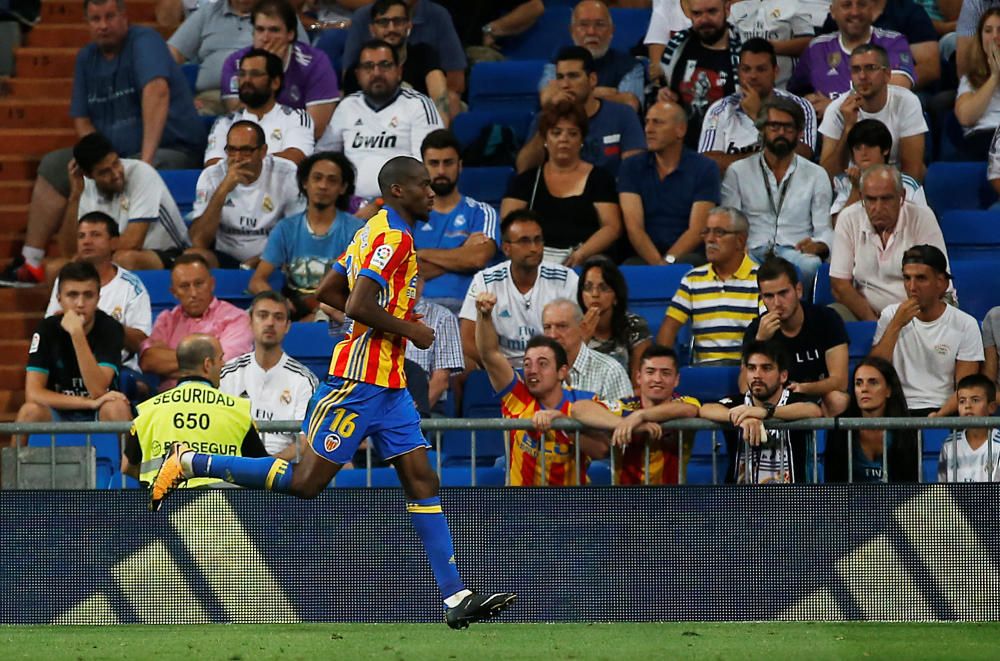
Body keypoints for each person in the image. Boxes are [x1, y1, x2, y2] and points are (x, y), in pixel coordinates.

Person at [148, 156, 516, 630]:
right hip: (359, 380)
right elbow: (356, 301)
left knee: (422, 480)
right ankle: (191, 461)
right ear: (399, 190)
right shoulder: (391, 237)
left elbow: (326, 290)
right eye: (424, 185)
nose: (432, 193)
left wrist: (385, 326)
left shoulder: (370, 230)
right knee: (306, 482)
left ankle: (454, 597)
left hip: (390, 384)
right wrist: (410, 330)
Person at [0, 0, 203, 286]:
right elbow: (81, 119)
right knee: (54, 164)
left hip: (168, 148)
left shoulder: (144, 41)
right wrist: (93, 161)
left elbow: (157, 92)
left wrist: (142, 163)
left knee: (125, 177)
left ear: (124, 16)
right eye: (95, 19)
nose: (103, 25)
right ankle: (31, 260)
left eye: (109, 16)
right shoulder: (87, 57)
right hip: (112, 155)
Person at [474, 292, 608, 486]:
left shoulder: (583, 403)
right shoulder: (516, 396)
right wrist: (484, 316)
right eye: (527, 364)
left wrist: (563, 424)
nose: (532, 370)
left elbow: (600, 450)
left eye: (542, 363)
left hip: (571, 510)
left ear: (562, 372)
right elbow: (489, 353)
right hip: (523, 510)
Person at [123, 334, 269, 486]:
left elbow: (127, 466)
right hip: (221, 507)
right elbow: (260, 468)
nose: (223, 364)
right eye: (220, 359)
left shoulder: (149, 410)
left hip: (165, 506)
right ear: (207, 364)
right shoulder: (237, 411)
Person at [721, 97, 833, 290]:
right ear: (762, 129)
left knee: (811, 265)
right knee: (734, 263)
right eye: (774, 127)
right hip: (752, 250)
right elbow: (731, 221)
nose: (781, 133)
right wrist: (739, 247)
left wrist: (819, 245)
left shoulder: (816, 174)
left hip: (795, 250)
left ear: (799, 133)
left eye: (788, 128)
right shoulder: (738, 171)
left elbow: (824, 228)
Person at [15, 261, 131, 438]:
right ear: (59, 298)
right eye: (72, 295)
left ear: (98, 298)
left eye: (88, 295)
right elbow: (33, 393)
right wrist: (87, 403)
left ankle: (129, 466)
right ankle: (13, 467)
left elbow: (98, 390)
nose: (80, 303)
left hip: (101, 409)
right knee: (29, 412)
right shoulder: (47, 329)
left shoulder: (110, 328)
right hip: (60, 409)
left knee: (117, 407)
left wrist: (77, 334)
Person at [318, 39, 444, 200]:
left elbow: (427, 167)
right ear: (358, 75)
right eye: (369, 66)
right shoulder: (347, 106)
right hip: (349, 205)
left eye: (385, 65)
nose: (376, 73)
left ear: (399, 71)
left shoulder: (418, 104)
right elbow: (324, 157)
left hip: (402, 204)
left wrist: (380, 203)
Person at [501, 100, 622, 267]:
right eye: (556, 133)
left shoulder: (600, 178)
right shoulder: (525, 181)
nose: (564, 139)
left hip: (585, 261)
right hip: (536, 261)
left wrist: (581, 254)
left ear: (581, 140)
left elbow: (612, 227)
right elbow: (508, 226)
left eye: (572, 133)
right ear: (545, 139)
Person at [50, 133, 190, 274]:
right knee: (55, 269)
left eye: (116, 163)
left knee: (124, 260)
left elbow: (133, 242)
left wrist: (92, 254)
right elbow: (68, 251)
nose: (116, 174)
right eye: (105, 172)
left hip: (172, 254)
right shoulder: (83, 187)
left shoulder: (142, 173)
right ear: (88, 175)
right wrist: (75, 196)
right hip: (110, 256)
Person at [249, 151, 364, 321]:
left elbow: (361, 287)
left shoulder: (357, 231)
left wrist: (318, 310)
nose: (323, 186)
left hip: (337, 311)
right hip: (295, 310)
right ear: (305, 183)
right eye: (317, 178)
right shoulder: (285, 228)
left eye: (332, 180)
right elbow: (257, 281)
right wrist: (279, 304)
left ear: (343, 188)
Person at [870, 245, 983, 417]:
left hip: (943, 411)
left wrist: (938, 417)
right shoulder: (890, 315)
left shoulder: (965, 324)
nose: (912, 287)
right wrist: (896, 325)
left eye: (921, 278)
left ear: (941, 283)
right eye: (907, 278)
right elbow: (874, 370)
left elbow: (965, 389)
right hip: (897, 410)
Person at [829, 165, 953, 321]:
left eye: (886, 199)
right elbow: (839, 284)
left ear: (901, 196)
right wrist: (873, 323)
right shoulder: (848, 218)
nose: (878, 208)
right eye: (871, 199)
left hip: (918, 309)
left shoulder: (922, 217)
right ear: (861, 197)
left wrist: (899, 322)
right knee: (833, 315)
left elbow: (935, 282)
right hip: (868, 314)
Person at [565, 344, 701, 485]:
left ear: (676, 379)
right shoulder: (626, 407)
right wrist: (626, 424)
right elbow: (578, 408)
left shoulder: (684, 403)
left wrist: (640, 416)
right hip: (626, 501)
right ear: (638, 377)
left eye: (665, 373)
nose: (657, 379)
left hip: (670, 502)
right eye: (650, 372)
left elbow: (690, 410)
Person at [459, 210, 579, 369]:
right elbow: (467, 340)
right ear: (506, 248)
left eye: (538, 240)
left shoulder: (566, 279)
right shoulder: (485, 280)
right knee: (462, 367)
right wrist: (503, 372)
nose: (534, 248)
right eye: (524, 241)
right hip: (501, 370)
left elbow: (579, 334)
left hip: (553, 369)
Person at [45, 212, 152, 378]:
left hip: (119, 368)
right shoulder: (65, 279)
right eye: (81, 236)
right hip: (69, 365)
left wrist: (100, 323)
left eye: (95, 235)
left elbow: (141, 342)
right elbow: (50, 326)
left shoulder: (132, 286)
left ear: (114, 243)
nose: (86, 241)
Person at [699, 340, 822, 483]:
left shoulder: (795, 401)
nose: (757, 375)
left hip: (790, 500)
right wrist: (742, 417)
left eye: (766, 368)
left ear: (783, 376)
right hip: (741, 501)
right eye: (752, 368)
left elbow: (813, 410)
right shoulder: (739, 405)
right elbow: (705, 409)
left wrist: (765, 412)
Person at [742, 257, 850, 416]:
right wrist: (760, 343)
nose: (777, 303)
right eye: (769, 296)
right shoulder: (757, 330)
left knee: (838, 399)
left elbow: (840, 381)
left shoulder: (826, 319)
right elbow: (744, 388)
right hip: (777, 403)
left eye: (783, 293)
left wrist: (804, 388)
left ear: (798, 290)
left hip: (818, 397)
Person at [220, 0, 340, 142]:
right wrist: (262, 70)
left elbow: (315, 128)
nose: (265, 38)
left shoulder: (315, 62)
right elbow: (237, 117)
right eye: (260, 29)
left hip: (301, 145)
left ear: (290, 34)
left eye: (274, 30)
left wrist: (274, 70)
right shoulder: (235, 63)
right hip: (250, 145)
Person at [619, 100, 721, 266]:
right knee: (630, 267)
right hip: (645, 257)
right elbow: (634, 228)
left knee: (691, 264)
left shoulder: (705, 168)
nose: (648, 129)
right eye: (647, 122)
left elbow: (697, 230)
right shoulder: (631, 166)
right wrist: (658, 264)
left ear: (680, 130)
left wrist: (668, 261)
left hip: (687, 256)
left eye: (657, 123)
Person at [190, 121, 304, 268]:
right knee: (192, 257)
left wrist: (263, 259)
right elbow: (198, 241)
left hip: (271, 259)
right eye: (231, 150)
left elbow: (297, 234)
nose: (237, 158)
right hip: (225, 257)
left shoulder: (287, 173)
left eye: (245, 151)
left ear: (263, 151)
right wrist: (223, 189)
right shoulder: (212, 176)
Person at [519, 46, 645, 178]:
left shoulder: (623, 115)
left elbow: (635, 173)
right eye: (560, 77)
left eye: (573, 76)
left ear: (592, 79)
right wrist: (547, 123)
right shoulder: (546, 118)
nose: (565, 85)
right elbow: (524, 169)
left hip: (610, 195)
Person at [657, 207, 762, 365]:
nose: (710, 239)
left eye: (719, 232)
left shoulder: (760, 279)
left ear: (740, 240)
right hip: (703, 371)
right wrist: (663, 367)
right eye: (706, 232)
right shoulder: (693, 279)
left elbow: (768, 330)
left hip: (745, 369)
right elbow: (668, 328)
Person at [220, 292, 318, 455]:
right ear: (250, 322)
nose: (270, 323)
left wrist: (267, 467)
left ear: (287, 326)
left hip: (282, 470)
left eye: (278, 317)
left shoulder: (304, 380)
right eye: (263, 316)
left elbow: (306, 440)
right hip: (234, 466)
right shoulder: (228, 374)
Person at [139, 254, 254, 391]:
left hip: (216, 399)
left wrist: (170, 364)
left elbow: (222, 367)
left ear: (212, 284)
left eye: (199, 284)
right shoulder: (166, 320)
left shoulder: (236, 318)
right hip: (170, 402)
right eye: (185, 286)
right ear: (174, 292)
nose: (193, 293)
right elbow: (149, 361)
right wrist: (204, 361)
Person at [699, 38, 817, 172]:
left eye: (761, 69)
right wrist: (766, 161)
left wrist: (758, 116)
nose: (752, 76)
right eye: (746, 69)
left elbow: (802, 157)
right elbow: (708, 163)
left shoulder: (800, 106)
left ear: (775, 72)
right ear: (738, 72)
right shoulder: (720, 110)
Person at [415, 129, 499, 315]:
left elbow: (477, 258)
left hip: (467, 309)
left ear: (460, 166)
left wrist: (421, 253)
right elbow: (405, 272)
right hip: (416, 310)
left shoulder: (482, 212)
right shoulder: (409, 215)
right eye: (434, 163)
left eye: (448, 163)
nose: (441, 171)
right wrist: (462, 250)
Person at [818, 44, 928, 182]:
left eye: (870, 68)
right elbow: (827, 176)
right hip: (851, 184)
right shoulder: (837, 109)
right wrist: (848, 128)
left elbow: (913, 169)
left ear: (887, 74)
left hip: (896, 184)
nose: (862, 76)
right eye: (856, 70)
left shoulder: (906, 102)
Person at [789, 0, 916, 118]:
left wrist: (833, 107)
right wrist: (808, 102)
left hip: (879, 131)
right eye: (847, 5)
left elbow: (896, 93)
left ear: (872, 10)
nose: (855, 12)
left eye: (861, 4)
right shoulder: (817, 48)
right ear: (833, 12)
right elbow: (794, 94)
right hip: (827, 135)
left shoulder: (892, 42)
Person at [340, 0, 456, 124]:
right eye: (384, 23)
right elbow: (350, 115)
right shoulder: (358, 68)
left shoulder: (424, 54)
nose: (391, 28)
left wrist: (436, 138)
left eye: (398, 22)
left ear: (409, 25)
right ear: (372, 29)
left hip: (419, 128)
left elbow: (439, 99)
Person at [654, 0, 743, 149]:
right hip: (682, 149)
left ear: (727, 9)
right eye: (697, 13)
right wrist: (663, 95)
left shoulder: (744, 51)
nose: (704, 20)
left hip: (727, 147)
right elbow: (664, 89)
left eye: (712, 12)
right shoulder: (677, 46)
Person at [204, 49, 315, 167]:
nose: (246, 80)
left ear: (275, 83)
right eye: (242, 74)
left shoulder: (296, 117)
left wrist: (240, 163)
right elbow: (212, 164)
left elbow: (295, 158)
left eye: (255, 74)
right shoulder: (225, 122)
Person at [166, 0, 277, 115]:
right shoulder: (208, 12)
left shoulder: (278, 13)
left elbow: (295, 57)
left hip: (262, 93)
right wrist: (180, 97)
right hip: (211, 97)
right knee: (185, 115)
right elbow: (171, 55)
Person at [535, 1, 645, 111]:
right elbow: (547, 99)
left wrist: (571, 94)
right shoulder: (559, 61)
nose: (591, 32)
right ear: (572, 30)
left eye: (600, 24)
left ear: (612, 31)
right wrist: (597, 93)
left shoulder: (629, 65)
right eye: (583, 25)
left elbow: (629, 106)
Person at [824, 356, 918, 482]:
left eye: (873, 382)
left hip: (896, 501)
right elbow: (832, 484)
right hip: (850, 501)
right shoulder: (840, 430)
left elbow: (909, 484)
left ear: (888, 390)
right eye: (858, 383)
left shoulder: (906, 430)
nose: (864, 389)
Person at [829, 119, 927, 218]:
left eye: (870, 146)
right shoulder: (844, 182)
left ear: (885, 149)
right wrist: (855, 189)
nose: (863, 153)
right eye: (858, 148)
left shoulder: (908, 185)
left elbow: (923, 222)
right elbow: (837, 224)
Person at [576, 255, 652, 380]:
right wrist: (582, 340)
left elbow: (641, 383)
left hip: (626, 396)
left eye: (603, 288)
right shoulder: (572, 328)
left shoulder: (634, 325)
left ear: (616, 296)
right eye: (588, 288)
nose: (595, 294)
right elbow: (566, 380)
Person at [542, 298, 633, 402]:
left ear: (582, 327)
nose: (553, 335)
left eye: (562, 326)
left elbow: (626, 417)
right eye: (547, 327)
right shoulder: (538, 371)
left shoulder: (610, 372)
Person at [405, 275, 463, 412]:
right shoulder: (378, 315)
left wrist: (412, 416)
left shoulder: (443, 317)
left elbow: (440, 381)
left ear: (421, 282)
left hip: (425, 406)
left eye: (414, 278)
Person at [727, 0, 815, 89]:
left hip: (785, 87)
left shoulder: (794, 5)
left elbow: (808, 43)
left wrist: (769, 48)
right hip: (745, 85)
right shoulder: (736, 9)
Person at [954, 8, 1000, 160]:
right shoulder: (970, 79)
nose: (995, 36)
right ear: (980, 38)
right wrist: (994, 77)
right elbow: (965, 118)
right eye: (988, 31)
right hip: (984, 140)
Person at [938, 374, 1000, 483]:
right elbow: (943, 488)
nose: (967, 406)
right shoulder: (949, 444)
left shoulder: (998, 444)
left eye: (975, 400)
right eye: (962, 401)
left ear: (992, 407)